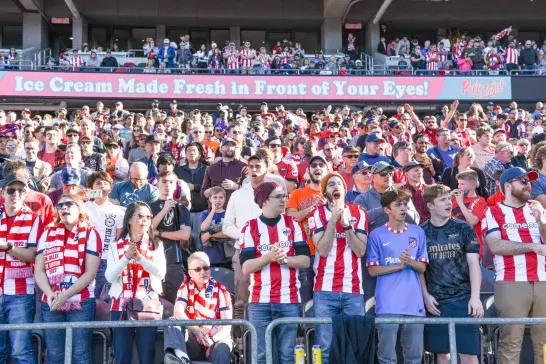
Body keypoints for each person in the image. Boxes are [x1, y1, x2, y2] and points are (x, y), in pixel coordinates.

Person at [241, 182, 310, 364]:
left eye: (284, 196)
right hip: (259, 301)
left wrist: (284, 259)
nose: (284, 200)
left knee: (287, 356)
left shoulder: (293, 224)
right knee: (262, 356)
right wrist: (269, 257)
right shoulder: (250, 227)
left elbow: (305, 261)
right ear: (264, 201)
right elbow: (246, 267)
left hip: (289, 301)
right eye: (278, 196)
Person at [483, 167, 546, 364]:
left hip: (543, 280)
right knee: (511, 341)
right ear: (508, 186)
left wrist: (542, 221)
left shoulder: (537, 209)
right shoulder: (493, 211)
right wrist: (532, 246)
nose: (530, 185)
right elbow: (495, 245)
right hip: (511, 281)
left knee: (544, 343)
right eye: (524, 181)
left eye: (530, 181)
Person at [35, 194, 102, 364]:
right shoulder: (47, 233)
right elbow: (39, 270)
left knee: (80, 355)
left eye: (69, 204)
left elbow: (90, 273)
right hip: (51, 301)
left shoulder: (91, 233)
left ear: (80, 208)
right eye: (60, 206)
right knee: (55, 355)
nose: (64, 208)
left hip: (81, 301)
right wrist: (50, 294)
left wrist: (66, 295)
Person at [420, 184, 483, 364]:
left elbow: (474, 264)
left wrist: (475, 297)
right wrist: (425, 295)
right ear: (430, 205)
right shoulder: (421, 232)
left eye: (449, 198)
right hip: (436, 302)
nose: (449, 202)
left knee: (468, 355)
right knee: (443, 355)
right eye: (443, 199)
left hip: (463, 299)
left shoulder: (464, 228)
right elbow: (420, 268)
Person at [309, 172, 368, 364]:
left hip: (353, 289)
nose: (336, 187)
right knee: (325, 347)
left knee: (355, 346)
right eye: (331, 184)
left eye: (339, 184)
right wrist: (333, 222)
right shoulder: (316, 214)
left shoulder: (359, 212)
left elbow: (360, 251)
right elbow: (323, 250)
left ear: (345, 189)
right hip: (325, 290)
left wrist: (347, 226)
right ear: (325, 192)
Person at [367, 189, 428, 364]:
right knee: (387, 358)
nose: (403, 208)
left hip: (414, 305)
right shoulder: (376, 235)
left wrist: (410, 262)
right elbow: (372, 270)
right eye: (398, 205)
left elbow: (422, 267)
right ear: (387, 210)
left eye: (405, 204)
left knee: (414, 358)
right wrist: (399, 265)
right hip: (387, 305)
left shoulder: (417, 232)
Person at [106, 201, 166, 364]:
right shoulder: (115, 246)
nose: (145, 220)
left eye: (148, 217)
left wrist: (140, 259)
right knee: (122, 357)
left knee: (147, 357)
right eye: (140, 216)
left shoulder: (156, 245)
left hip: (147, 305)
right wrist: (125, 258)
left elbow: (161, 273)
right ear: (129, 220)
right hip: (120, 305)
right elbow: (110, 278)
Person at [0, 173, 44, 363]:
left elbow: (32, 255)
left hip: (20, 293)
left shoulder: (35, 218)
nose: (15, 194)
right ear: (2, 192)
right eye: (11, 190)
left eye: (21, 190)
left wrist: (8, 247)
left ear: (26, 194)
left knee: (20, 351)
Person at [163, 252, 232, 364]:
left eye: (206, 268)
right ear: (190, 273)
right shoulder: (185, 288)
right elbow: (178, 311)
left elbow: (227, 325)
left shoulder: (222, 290)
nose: (203, 272)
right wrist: (194, 328)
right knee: (171, 321)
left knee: (222, 350)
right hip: (194, 337)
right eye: (198, 269)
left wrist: (212, 340)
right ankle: (182, 358)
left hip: (216, 339)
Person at [223, 154, 268, 320]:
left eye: (258, 166)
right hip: (243, 251)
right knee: (241, 300)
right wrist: (247, 235)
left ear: (266, 169)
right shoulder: (238, 195)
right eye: (251, 166)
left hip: (269, 252)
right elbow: (226, 226)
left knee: (267, 298)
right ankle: (241, 342)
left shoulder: (274, 192)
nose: (254, 170)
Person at [286, 155, 329, 303]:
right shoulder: (298, 193)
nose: (317, 168)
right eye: (314, 165)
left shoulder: (333, 193)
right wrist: (312, 207)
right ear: (308, 171)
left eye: (321, 165)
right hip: (305, 252)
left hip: (328, 253)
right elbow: (290, 218)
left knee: (325, 298)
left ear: (327, 170)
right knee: (305, 298)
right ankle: (306, 327)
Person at [150, 171, 192, 304]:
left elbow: (184, 235)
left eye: (171, 182)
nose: (167, 185)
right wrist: (164, 210)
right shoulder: (148, 207)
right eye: (164, 182)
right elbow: (147, 230)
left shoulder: (181, 208)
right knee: (153, 302)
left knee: (175, 302)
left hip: (173, 261)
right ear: (157, 184)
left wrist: (160, 233)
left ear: (176, 186)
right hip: (151, 261)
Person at [84, 172, 124, 298]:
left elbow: (118, 238)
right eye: (98, 183)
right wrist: (85, 195)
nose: (101, 186)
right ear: (92, 187)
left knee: (102, 297)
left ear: (111, 187)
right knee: (86, 295)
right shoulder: (83, 207)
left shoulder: (118, 212)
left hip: (106, 260)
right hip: (85, 257)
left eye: (105, 183)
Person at [355, 161, 420, 231]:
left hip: (400, 238)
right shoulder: (362, 198)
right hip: (376, 240)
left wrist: (401, 208)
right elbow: (358, 220)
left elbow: (415, 220)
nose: (388, 176)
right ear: (372, 177)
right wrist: (385, 208)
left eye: (390, 173)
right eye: (383, 173)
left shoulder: (402, 195)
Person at [201, 137, 247, 203]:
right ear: (220, 149)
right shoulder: (212, 168)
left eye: (232, 145)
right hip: (216, 210)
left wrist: (236, 186)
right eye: (226, 145)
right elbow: (203, 193)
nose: (229, 148)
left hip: (236, 208)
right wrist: (212, 190)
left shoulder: (243, 167)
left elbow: (250, 190)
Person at [200, 186, 231, 269]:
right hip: (210, 255)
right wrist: (213, 210)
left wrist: (210, 235)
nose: (218, 200)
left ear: (225, 199)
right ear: (210, 199)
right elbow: (203, 228)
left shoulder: (229, 214)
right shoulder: (205, 214)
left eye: (221, 197)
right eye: (215, 197)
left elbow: (229, 233)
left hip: (225, 256)